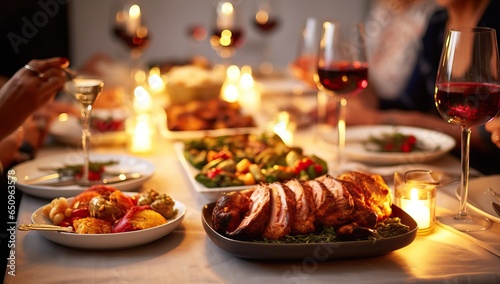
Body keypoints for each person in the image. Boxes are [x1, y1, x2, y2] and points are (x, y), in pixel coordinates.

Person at [343, 0, 500, 174]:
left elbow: (487, 135)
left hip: (486, 179)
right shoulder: (437, 23)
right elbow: (410, 103)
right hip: (445, 170)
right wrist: (361, 91)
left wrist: (378, 119)